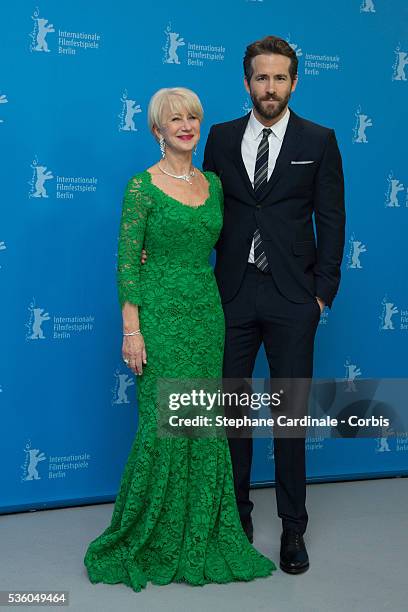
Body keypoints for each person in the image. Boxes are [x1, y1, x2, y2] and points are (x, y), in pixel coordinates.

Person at [83, 87, 276, 592]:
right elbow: (127, 264)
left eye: (192, 117)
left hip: (206, 315)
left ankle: (202, 530)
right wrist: (133, 330)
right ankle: (149, 535)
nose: (186, 125)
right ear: (157, 130)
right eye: (175, 119)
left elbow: (243, 235)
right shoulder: (140, 188)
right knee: (164, 422)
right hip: (161, 317)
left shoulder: (213, 183)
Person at [203, 35, 346, 574]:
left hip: (293, 299)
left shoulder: (321, 139)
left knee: (289, 419)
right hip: (232, 295)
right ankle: (237, 517)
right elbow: (206, 211)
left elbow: (332, 219)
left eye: (279, 78)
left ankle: (292, 530)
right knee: (231, 415)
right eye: (261, 78)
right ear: (247, 82)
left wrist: (321, 293)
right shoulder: (218, 138)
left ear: (294, 81)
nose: (270, 87)